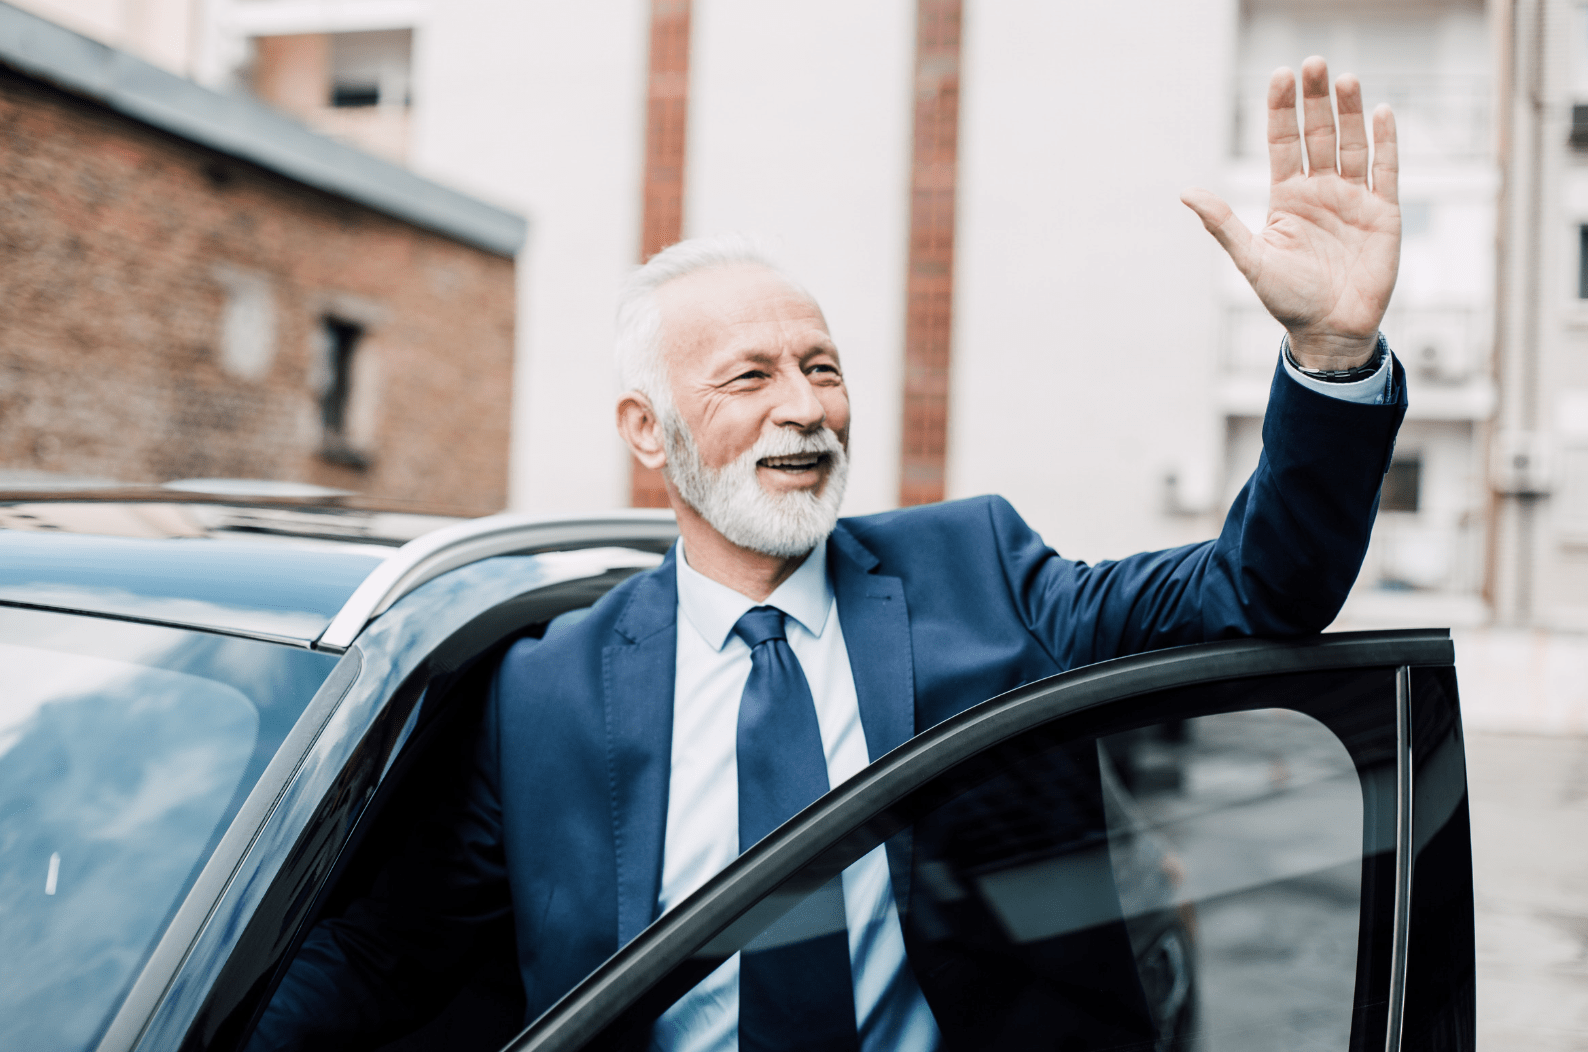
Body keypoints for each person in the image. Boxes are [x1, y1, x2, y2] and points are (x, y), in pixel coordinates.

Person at [251, 57, 1406, 1051]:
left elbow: (1262, 588)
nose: (805, 408)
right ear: (646, 432)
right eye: (749, 376)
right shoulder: (543, 689)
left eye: (824, 367)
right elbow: (387, 952)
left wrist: (1333, 353)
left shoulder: (981, 572)